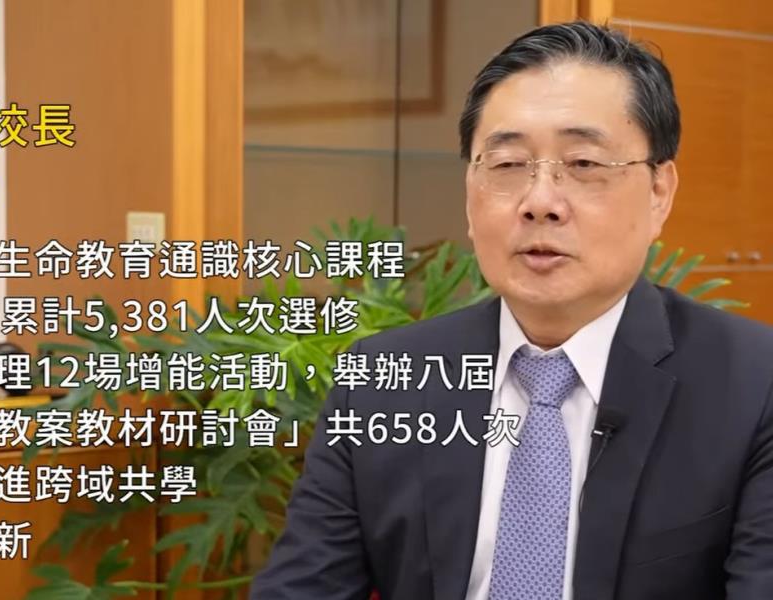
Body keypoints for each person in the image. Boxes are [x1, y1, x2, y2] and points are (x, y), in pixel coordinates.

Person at [249, 21, 773, 600]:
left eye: (584, 163)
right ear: (469, 194)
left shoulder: (754, 386)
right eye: (506, 165)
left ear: (659, 193)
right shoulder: (381, 380)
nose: (540, 202)